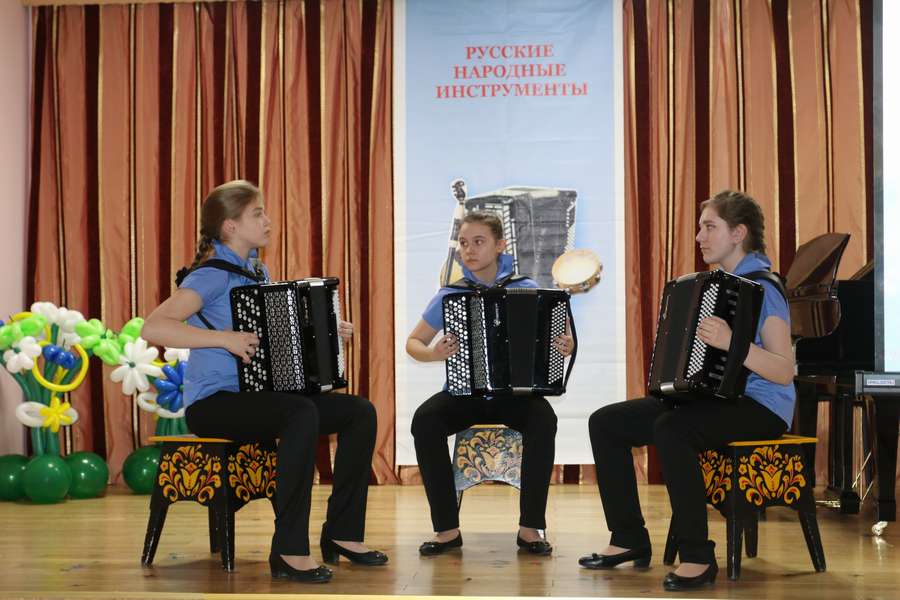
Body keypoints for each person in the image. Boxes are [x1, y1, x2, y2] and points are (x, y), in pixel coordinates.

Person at [142, 180, 387, 584]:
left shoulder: (257, 271)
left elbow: (271, 338)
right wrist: (224, 339)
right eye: (257, 214)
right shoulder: (210, 276)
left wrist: (326, 331)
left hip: (255, 397)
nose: (268, 221)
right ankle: (289, 550)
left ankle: (342, 533)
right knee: (299, 412)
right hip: (213, 404)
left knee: (358, 412)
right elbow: (154, 327)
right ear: (230, 226)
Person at [579, 190, 795, 591]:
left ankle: (697, 556)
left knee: (673, 428)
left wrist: (732, 343)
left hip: (762, 406)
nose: (699, 237)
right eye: (700, 228)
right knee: (606, 423)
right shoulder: (716, 287)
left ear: (738, 233)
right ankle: (628, 537)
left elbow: (784, 371)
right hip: (716, 402)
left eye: (709, 227)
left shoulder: (765, 289)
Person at [405, 211, 575, 557]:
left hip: (515, 396)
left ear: (500, 246)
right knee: (425, 421)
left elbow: (561, 338)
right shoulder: (450, 294)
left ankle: (530, 528)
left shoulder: (526, 288)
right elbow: (413, 342)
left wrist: (566, 345)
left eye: (478, 242)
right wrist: (434, 354)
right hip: (465, 393)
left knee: (544, 419)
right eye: (464, 243)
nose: (469, 250)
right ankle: (446, 529)